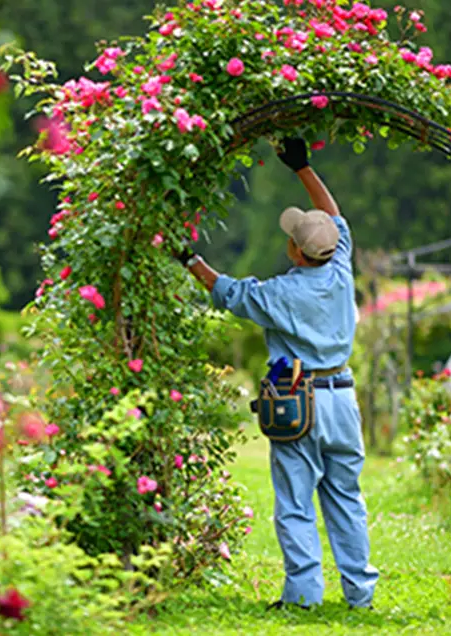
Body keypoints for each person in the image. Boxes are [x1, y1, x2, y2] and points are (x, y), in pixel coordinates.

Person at [175, 138, 378, 611]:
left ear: (295, 251)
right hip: (342, 397)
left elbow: (224, 290)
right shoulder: (342, 265)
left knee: (294, 503)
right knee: (346, 499)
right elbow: (334, 216)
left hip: (297, 401)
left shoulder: (278, 295)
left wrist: (188, 258)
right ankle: (360, 596)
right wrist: (304, 167)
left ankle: (304, 597)